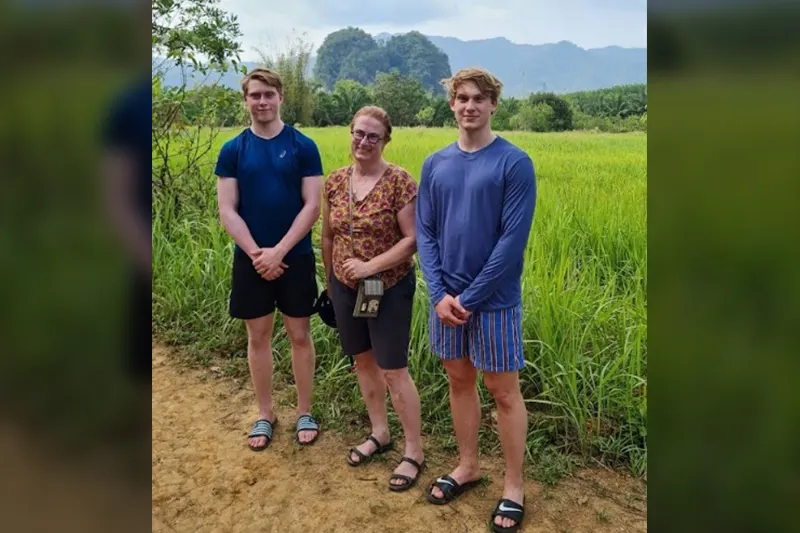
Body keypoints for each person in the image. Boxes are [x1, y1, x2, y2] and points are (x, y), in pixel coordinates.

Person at [416, 67, 537, 533]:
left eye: (478, 99)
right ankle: (468, 465)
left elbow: (512, 242)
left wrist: (468, 296)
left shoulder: (513, 162)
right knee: (458, 380)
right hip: (445, 299)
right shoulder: (435, 163)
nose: (469, 106)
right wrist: (440, 292)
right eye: (461, 98)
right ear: (452, 104)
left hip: (494, 301)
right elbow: (425, 231)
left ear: (493, 105)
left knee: (504, 392)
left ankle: (513, 485)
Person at [214, 68, 323, 451]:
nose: (262, 101)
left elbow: (312, 205)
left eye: (269, 94)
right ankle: (265, 413)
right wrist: (258, 253)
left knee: (299, 335)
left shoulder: (303, 146)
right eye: (255, 95)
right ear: (245, 100)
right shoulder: (233, 150)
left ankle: (304, 410)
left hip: (296, 257)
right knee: (257, 337)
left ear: (280, 98)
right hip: (251, 259)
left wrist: (279, 250)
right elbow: (228, 209)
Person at [321, 106, 425, 492]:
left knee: (393, 368)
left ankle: (414, 450)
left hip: (388, 286)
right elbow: (328, 237)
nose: (364, 142)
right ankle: (380, 433)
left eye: (373, 136)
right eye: (358, 133)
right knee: (363, 361)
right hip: (346, 288)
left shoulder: (399, 181)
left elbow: (412, 240)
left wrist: (370, 267)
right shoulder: (335, 181)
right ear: (349, 133)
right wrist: (330, 281)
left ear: (385, 140)